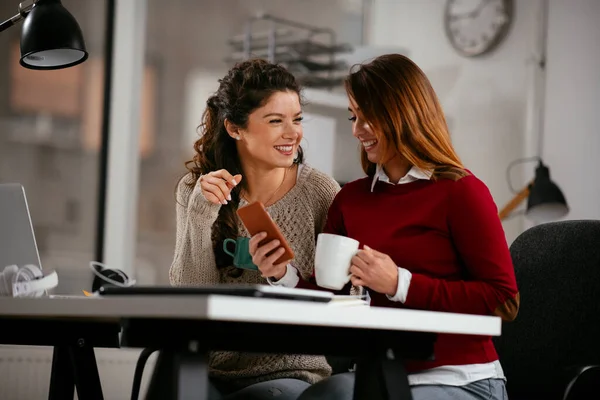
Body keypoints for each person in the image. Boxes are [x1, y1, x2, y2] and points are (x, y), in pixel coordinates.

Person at [293, 54, 520, 400]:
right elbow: (332, 296)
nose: (357, 130)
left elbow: (504, 300)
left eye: (369, 117)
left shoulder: (461, 192)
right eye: (355, 117)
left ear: (403, 114)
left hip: (459, 379)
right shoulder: (350, 199)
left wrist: (401, 283)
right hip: (375, 376)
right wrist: (285, 276)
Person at [169, 58, 341, 400]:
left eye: (296, 120)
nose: (293, 133)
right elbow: (191, 293)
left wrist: (282, 275)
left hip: (290, 370)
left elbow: (340, 298)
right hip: (207, 367)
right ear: (235, 128)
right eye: (276, 121)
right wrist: (202, 214)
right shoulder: (196, 189)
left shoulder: (320, 192)